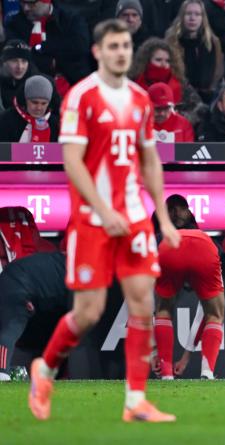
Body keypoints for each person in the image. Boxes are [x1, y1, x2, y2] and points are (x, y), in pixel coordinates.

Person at [27, 19, 181, 423]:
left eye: (126, 46)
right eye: (113, 45)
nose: (120, 52)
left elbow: (149, 160)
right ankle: (44, 369)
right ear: (98, 51)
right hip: (92, 221)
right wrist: (102, 208)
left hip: (132, 218)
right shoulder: (80, 97)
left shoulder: (140, 100)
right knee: (90, 312)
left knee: (143, 302)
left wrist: (162, 216)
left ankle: (135, 400)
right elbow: (72, 162)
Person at [153, 195, 224, 380]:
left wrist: (155, 352)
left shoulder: (157, 231)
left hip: (168, 247)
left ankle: (166, 373)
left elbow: (142, 303)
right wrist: (187, 355)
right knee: (215, 314)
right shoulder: (198, 232)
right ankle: (207, 372)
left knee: (162, 310)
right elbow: (205, 313)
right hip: (204, 246)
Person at [0, 252, 69, 381]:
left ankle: (53, 378)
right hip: (18, 282)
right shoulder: (84, 270)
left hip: (43, 299)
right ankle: (1, 374)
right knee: (12, 326)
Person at [5, 0, 91, 86]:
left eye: (31, 3)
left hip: (72, 83)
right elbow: (14, 56)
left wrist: (41, 47)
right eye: (23, 3)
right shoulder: (14, 24)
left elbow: (80, 47)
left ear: (47, 2)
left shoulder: (70, 19)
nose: (26, 8)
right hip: (27, 86)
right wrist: (49, 63)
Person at [129, 37, 201, 125]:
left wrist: (178, 117)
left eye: (168, 61)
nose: (164, 65)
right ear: (146, 61)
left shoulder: (180, 84)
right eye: (158, 60)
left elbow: (199, 109)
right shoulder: (133, 84)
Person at [165, 0, 224, 103]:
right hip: (180, 98)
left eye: (197, 14)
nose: (192, 18)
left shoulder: (213, 43)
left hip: (208, 99)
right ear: (182, 16)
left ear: (203, 18)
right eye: (188, 14)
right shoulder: (171, 42)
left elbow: (217, 73)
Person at [0, 74, 59, 142]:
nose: (39, 108)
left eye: (44, 103)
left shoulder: (54, 124)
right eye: (34, 102)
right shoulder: (6, 120)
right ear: (25, 100)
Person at [0, 39, 38, 110]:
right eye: (14, 61)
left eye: (24, 61)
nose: (20, 66)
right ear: (4, 62)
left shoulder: (38, 83)